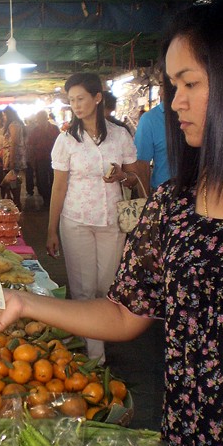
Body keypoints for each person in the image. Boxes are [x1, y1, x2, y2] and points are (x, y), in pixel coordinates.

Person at [0, 0, 223, 446]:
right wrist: (26, 304)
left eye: (191, 84)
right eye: (173, 86)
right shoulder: (174, 206)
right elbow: (125, 311)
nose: (174, 103)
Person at [47, 72, 138, 362]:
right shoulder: (65, 140)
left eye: (81, 98)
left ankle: (99, 334)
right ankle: (95, 356)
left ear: (97, 98)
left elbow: (136, 177)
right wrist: (51, 230)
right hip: (75, 221)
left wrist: (123, 176)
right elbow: (58, 186)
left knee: (107, 285)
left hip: (112, 221)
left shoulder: (120, 135)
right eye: (72, 100)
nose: (76, 104)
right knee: (84, 289)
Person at [134, 86, 171, 193]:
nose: (161, 91)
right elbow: (141, 163)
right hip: (162, 194)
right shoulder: (149, 119)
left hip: (199, 194)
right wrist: (145, 201)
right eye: (160, 84)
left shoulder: (197, 115)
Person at [25, 110, 58, 208]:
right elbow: (31, 145)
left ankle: (53, 200)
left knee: (54, 180)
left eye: (41, 119)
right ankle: (46, 200)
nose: (39, 121)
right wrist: (32, 159)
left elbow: (59, 143)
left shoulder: (54, 129)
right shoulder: (36, 130)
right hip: (40, 159)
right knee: (41, 181)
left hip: (54, 159)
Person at [0, 106, 26, 209]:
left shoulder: (13, 124)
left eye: (4, 115)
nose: (4, 118)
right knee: (11, 179)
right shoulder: (16, 124)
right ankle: (14, 202)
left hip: (13, 156)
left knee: (12, 179)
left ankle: (16, 202)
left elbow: (14, 142)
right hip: (11, 155)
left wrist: (11, 160)